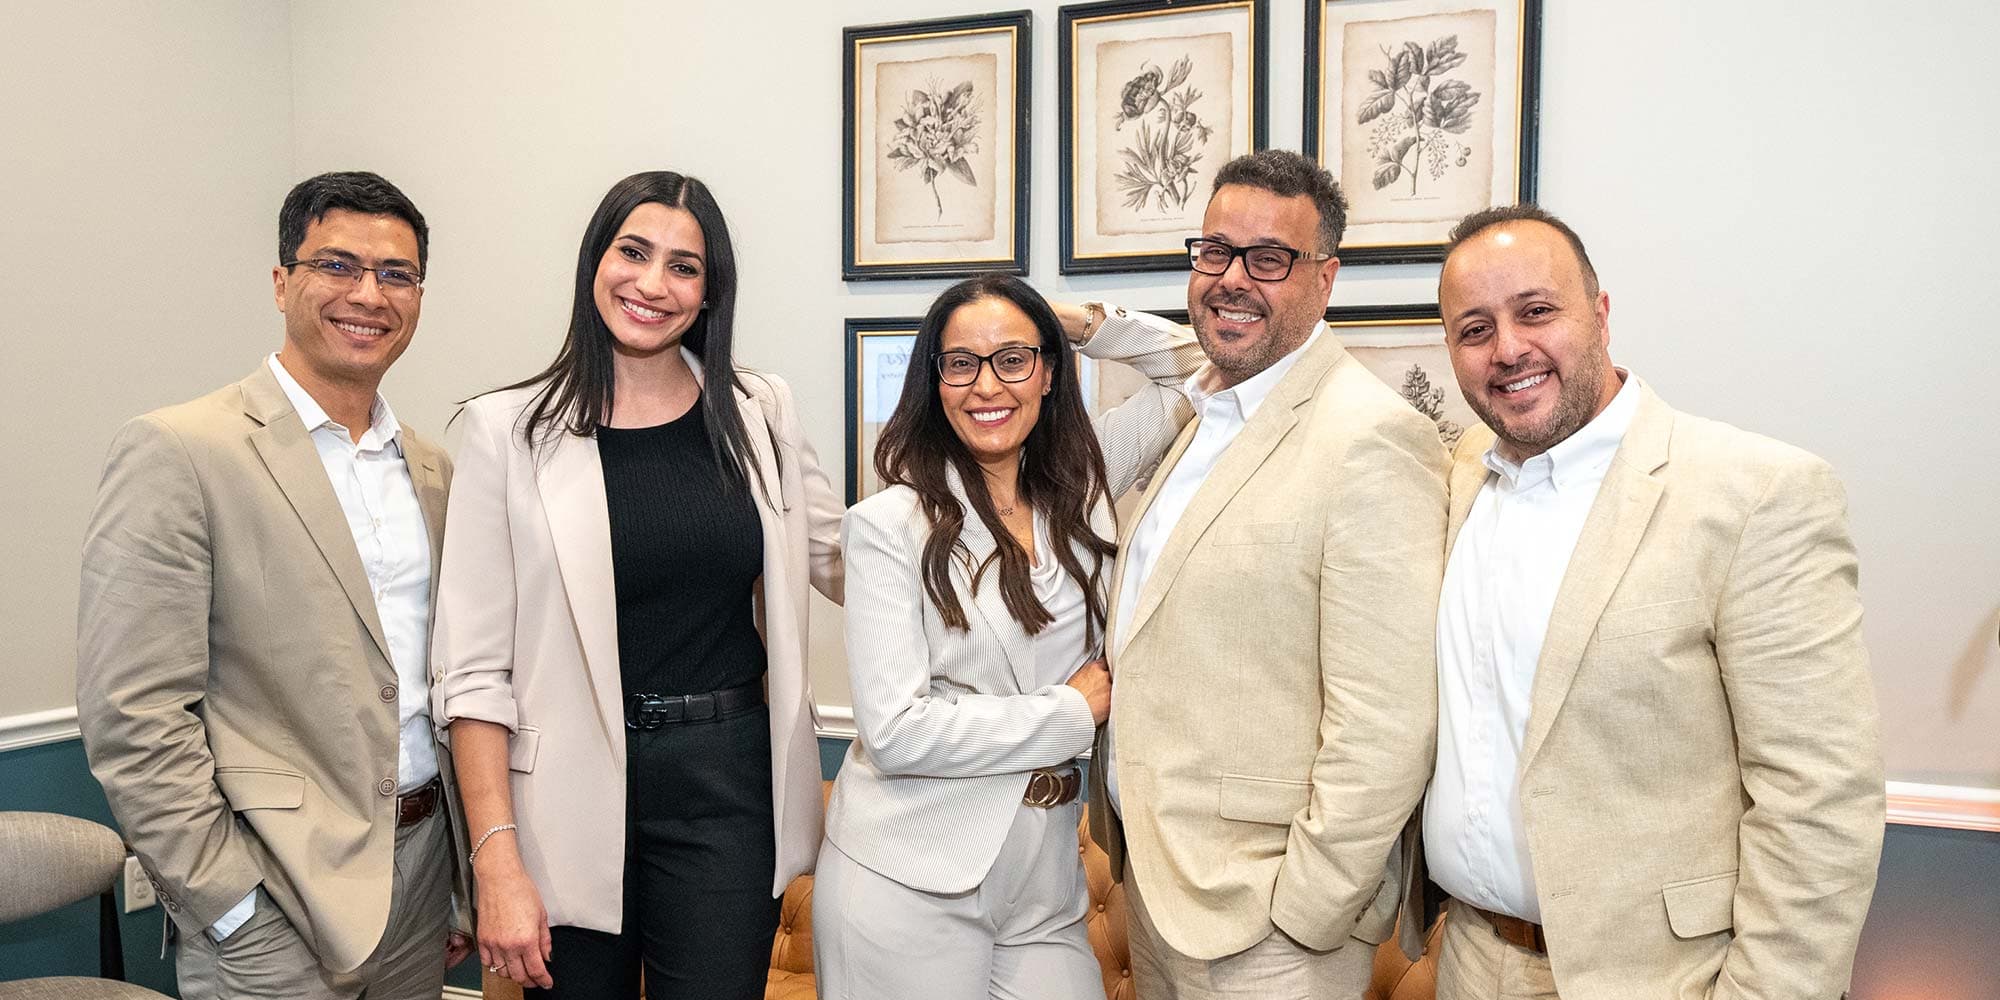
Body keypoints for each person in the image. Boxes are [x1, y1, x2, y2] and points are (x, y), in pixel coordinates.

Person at [1421, 204, 1884, 999]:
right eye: (1474, 329)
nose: (1508, 350)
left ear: (1600, 315)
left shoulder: (1756, 494)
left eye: (1537, 311)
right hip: (1465, 955)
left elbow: (1820, 802)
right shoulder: (1461, 475)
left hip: (1663, 978)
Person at [430, 170, 842, 1000]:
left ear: (709, 291)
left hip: (725, 783)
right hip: (561, 802)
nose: (653, 284)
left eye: (684, 266)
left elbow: (852, 559)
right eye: (634, 252)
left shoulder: (762, 411)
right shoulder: (504, 432)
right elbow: (471, 673)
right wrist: (495, 857)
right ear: (595, 262)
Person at [76, 171, 472, 999]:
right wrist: (227, 906)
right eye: (337, 265)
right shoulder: (182, 450)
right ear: (282, 280)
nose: (369, 294)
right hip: (274, 904)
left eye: (396, 274)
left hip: (423, 876)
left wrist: (459, 878)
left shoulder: (435, 467)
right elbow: (133, 714)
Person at [1086, 149, 1450, 998]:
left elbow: (1389, 719)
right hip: (1155, 881)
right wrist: (1076, 319)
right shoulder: (1200, 410)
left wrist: (1307, 911)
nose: (1232, 279)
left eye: (1269, 259)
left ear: (1325, 279)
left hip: (1270, 929)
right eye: (1214, 252)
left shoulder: (1370, 437)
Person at [812, 273, 1203, 998]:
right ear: (936, 383)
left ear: (1049, 373)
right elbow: (896, 732)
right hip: (909, 875)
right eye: (961, 362)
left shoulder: (1085, 483)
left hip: (1045, 881)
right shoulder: (887, 527)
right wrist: (1070, 712)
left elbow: (1190, 362)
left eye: (1013, 359)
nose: (986, 385)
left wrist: (1057, 317)